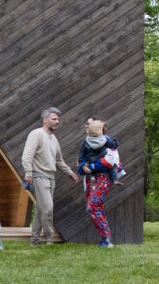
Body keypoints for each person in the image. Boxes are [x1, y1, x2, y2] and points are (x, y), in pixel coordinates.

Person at [21, 106, 79, 245]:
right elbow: (27, 155)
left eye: (58, 119)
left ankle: (35, 240)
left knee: (41, 210)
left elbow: (59, 160)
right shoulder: (36, 134)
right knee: (47, 208)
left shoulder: (53, 138)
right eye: (54, 119)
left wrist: (70, 172)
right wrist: (28, 173)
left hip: (51, 177)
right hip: (38, 175)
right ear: (45, 120)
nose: (57, 121)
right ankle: (48, 238)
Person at [77, 118, 121, 247]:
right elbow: (80, 164)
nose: (88, 126)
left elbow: (109, 162)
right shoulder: (85, 143)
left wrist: (90, 167)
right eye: (87, 124)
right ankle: (104, 239)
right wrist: (83, 166)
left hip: (102, 178)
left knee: (92, 206)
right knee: (96, 208)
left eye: (91, 124)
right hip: (90, 181)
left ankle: (106, 238)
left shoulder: (107, 141)